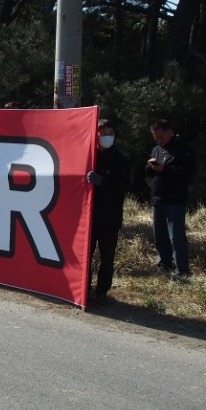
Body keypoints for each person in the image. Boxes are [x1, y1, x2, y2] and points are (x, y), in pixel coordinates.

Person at [86, 119, 130, 305]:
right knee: (85, 255)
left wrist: (102, 181)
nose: (106, 137)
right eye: (102, 134)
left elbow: (123, 186)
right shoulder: (88, 156)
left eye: (110, 134)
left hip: (110, 217)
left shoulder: (120, 160)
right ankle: (84, 288)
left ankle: (102, 291)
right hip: (88, 217)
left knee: (107, 257)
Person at [146, 120, 196, 277]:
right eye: (156, 138)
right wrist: (150, 167)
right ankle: (164, 265)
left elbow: (188, 173)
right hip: (158, 198)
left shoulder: (184, 147)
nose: (159, 140)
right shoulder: (157, 149)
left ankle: (182, 270)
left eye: (161, 137)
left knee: (176, 236)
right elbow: (149, 172)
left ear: (170, 132)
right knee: (159, 236)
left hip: (175, 198)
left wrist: (165, 169)